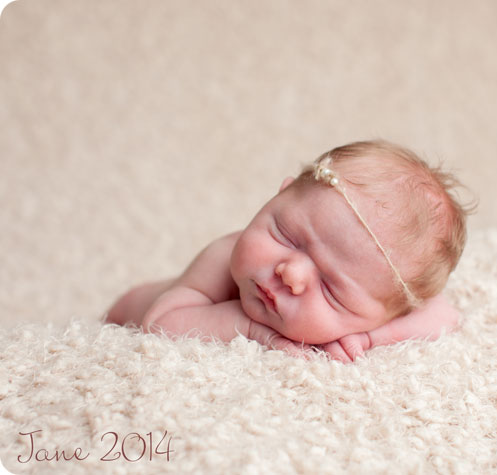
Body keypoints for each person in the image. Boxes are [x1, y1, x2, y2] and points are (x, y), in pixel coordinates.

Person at [106, 140, 470, 363]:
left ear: (382, 312)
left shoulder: (375, 309)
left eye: (331, 288)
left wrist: (367, 339)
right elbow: (161, 322)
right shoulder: (223, 255)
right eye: (287, 235)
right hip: (124, 313)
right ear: (280, 194)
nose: (290, 273)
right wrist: (250, 328)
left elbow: (444, 315)